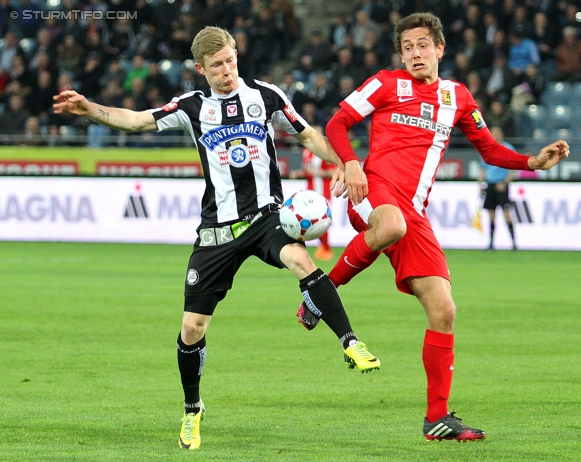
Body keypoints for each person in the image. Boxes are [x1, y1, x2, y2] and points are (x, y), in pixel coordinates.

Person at [52, 26, 380, 451]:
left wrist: (346, 162)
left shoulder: (267, 96)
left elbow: (307, 135)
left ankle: (349, 341)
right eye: (217, 65)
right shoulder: (191, 106)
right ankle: (193, 410)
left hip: (266, 217)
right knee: (192, 327)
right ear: (200, 68)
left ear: (236, 55)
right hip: (217, 231)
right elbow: (134, 121)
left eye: (230, 60)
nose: (227, 71)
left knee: (301, 260)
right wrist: (88, 108)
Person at [296, 12, 569, 442]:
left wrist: (531, 162)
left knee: (444, 310)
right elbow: (337, 123)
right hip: (375, 190)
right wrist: (350, 163)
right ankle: (320, 294)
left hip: (413, 213)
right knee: (390, 224)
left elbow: (491, 150)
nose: (415, 53)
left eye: (423, 44)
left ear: (440, 49)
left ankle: (437, 419)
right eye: (407, 47)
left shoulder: (457, 96)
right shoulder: (386, 82)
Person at [290, 124, 337, 261]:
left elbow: (335, 171)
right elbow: (307, 170)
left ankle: (326, 249)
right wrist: (299, 173)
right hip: (309, 191)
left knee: (319, 221)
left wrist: (317, 173)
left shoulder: (326, 150)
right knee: (305, 220)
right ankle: (317, 248)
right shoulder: (306, 150)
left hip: (323, 191)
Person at [478, 126, 517, 250]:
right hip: (491, 184)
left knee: (506, 214)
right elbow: (483, 169)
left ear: (501, 134)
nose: (495, 135)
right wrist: (480, 184)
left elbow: (513, 168)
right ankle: (491, 243)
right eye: (492, 133)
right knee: (491, 215)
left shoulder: (508, 148)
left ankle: (514, 243)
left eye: (497, 133)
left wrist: (505, 183)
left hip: (502, 185)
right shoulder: (487, 149)